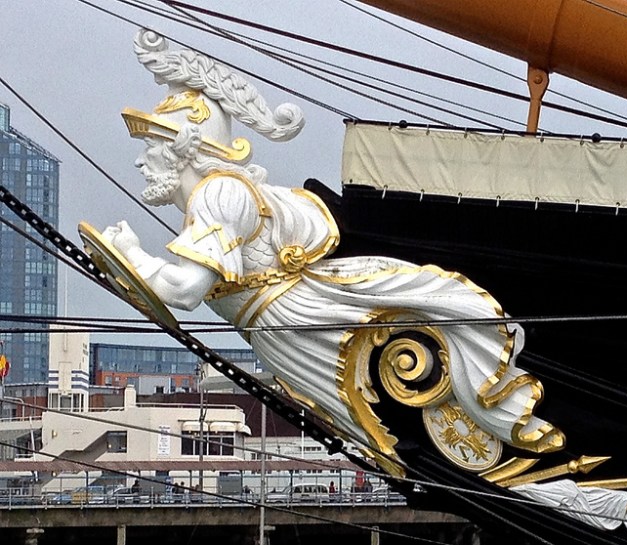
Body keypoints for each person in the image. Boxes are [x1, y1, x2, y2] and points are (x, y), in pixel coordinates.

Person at [97, 29, 564, 476]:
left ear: (182, 150)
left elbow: (183, 291)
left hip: (297, 320)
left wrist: (131, 254)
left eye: (151, 148)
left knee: (380, 430)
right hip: (280, 327)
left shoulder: (218, 193)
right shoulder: (216, 197)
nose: (141, 161)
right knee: (376, 431)